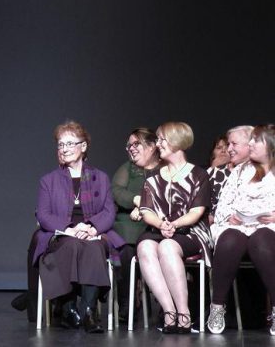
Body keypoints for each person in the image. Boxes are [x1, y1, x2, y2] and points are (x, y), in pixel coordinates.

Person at [29, 121, 122, 333]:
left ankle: (88, 311)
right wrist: (69, 229)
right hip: (61, 234)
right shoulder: (48, 181)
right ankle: (68, 308)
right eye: (61, 145)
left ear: (84, 146)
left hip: (92, 233)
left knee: (94, 247)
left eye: (70, 143)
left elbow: (109, 212)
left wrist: (92, 229)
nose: (65, 149)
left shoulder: (101, 177)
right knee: (70, 245)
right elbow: (43, 215)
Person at [136, 122, 212, 334]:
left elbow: (197, 212)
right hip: (159, 230)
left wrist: (174, 224)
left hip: (190, 232)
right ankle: (169, 312)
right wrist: (161, 224)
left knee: (168, 247)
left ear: (177, 141)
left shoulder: (199, 175)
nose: (158, 144)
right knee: (145, 247)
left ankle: (184, 313)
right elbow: (146, 210)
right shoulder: (153, 178)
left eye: (162, 140)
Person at [207, 124, 275, 335]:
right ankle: (217, 306)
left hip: (268, 227)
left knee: (261, 240)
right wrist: (232, 217)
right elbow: (222, 208)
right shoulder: (240, 171)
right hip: (238, 226)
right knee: (230, 240)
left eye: (256, 140)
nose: (251, 144)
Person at [111, 128, 161, 322]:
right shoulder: (128, 168)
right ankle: (128, 300)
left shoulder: (164, 168)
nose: (131, 149)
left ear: (151, 146)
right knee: (124, 249)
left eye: (136, 144)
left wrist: (146, 208)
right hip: (128, 223)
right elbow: (116, 191)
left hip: (156, 221)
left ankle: (167, 304)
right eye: (128, 145)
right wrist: (137, 199)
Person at [207, 128, 254, 223]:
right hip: (220, 225)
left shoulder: (262, 171)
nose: (227, 150)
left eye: (234, 144)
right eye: (219, 148)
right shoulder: (215, 173)